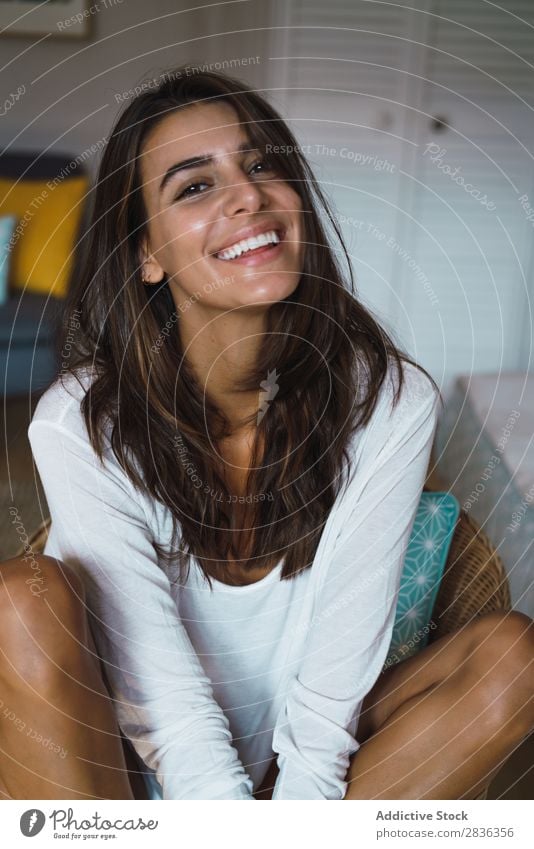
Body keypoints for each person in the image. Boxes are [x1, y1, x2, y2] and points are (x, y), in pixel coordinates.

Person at [1, 66, 532, 801]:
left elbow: (331, 702)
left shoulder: (390, 399)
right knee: (16, 601)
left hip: (309, 778)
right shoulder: (79, 422)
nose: (247, 194)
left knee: (515, 657)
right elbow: (167, 708)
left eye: (260, 164)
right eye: (194, 186)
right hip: (119, 770)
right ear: (147, 255)